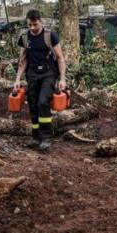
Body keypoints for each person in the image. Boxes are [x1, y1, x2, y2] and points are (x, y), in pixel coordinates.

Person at [13, 9, 68, 151]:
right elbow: (23, 60)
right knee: (32, 104)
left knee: (43, 102)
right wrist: (17, 79)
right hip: (32, 74)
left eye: (35, 24)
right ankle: (36, 137)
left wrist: (62, 78)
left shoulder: (51, 36)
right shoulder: (24, 38)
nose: (32, 28)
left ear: (40, 21)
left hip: (48, 73)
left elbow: (60, 58)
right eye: (29, 25)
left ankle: (46, 137)